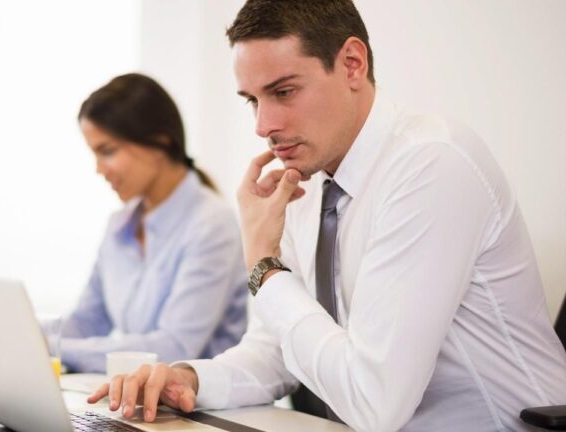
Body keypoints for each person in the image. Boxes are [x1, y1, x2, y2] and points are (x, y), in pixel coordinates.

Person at [86, 1, 566, 431]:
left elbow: (375, 405)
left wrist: (264, 265)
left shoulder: (430, 165)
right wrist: (189, 377)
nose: (263, 126)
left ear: (352, 64)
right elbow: (275, 354)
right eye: (253, 100)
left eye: (284, 92)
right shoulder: (309, 185)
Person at [0, 73, 248, 373]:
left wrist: (50, 347)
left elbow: (174, 348)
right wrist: (10, 337)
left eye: (107, 151)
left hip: (205, 412)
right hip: (145, 403)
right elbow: (88, 321)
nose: (98, 169)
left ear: (160, 142)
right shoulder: (120, 225)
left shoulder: (212, 224)